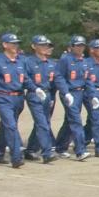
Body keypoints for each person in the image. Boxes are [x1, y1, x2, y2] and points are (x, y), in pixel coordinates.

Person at [0, 32, 29, 168]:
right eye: (12, 43)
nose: (15, 46)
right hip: (3, 96)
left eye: (17, 43)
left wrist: (36, 89)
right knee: (11, 126)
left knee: (6, 126)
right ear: (5, 45)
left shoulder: (21, 61)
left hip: (18, 97)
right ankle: (16, 156)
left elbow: (26, 79)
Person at [23, 35, 60, 163]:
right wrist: (34, 88)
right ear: (34, 46)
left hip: (47, 95)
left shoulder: (51, 64)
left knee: (43, 123)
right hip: (34, 95)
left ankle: (30, 150)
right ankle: (47, 153)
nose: (45, 48)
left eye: (46, 45)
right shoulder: (28, 62)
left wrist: (56, 95)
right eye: (42, 45)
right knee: (42, 123)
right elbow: (25, 78)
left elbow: (56, 80)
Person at [54, 35, 90, 160]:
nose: (80, 48)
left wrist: (92, 94)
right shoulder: (65, 60)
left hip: (80, 93)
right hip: (70, 92)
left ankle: (60, 146)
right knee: (76, 120)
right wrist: (65, 92)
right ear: (72, 47)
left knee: (69, 121)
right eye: (77, 46)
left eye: (82, 46)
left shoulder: (84, 61)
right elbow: (58, 76)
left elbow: (87, 79)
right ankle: (80, 150)